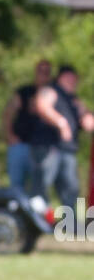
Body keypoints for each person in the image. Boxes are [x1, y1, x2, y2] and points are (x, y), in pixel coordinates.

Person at [31, 65, 94, 230]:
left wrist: (87, 118)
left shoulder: (73, 99)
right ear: (61, 78)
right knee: (42, 187)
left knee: (71, 189)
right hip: (49, 148)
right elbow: (42, 105)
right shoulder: (51, 91)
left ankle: (69, 226)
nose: (73, 82)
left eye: (74, 79)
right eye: (69, 78)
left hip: (68, 151)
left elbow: (86, 118)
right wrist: (61, 123)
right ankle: (37, 224)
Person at [2, 59, 52, 193]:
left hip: (42, 148)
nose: (43, 74)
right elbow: (8, 113)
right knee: (16, 187)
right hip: (20, 145)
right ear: (35, 72)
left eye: (46, 72)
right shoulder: (25, 91)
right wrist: (10, 136)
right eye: (41, 71)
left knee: (39, 189)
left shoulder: (53, 94)